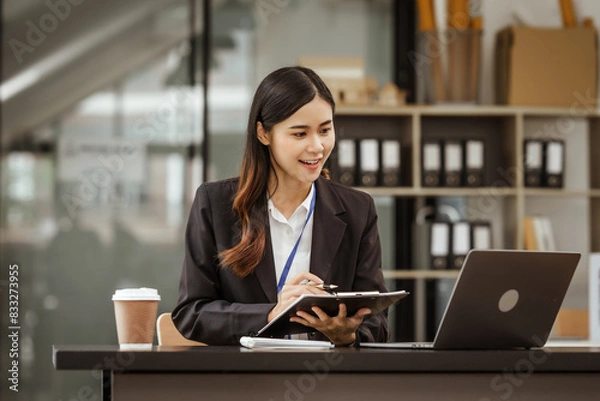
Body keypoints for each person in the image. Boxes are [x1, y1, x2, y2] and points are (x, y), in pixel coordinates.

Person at [172, 66, 389, 346]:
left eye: (325, 130)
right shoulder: (215, 205)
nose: (317, 147)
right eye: (300, 134)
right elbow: (191, 313)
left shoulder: (358, 209)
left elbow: (378, 324)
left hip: (327, 380)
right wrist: (272, 313)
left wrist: (347, 334)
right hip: (246, 381)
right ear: (264, 134)